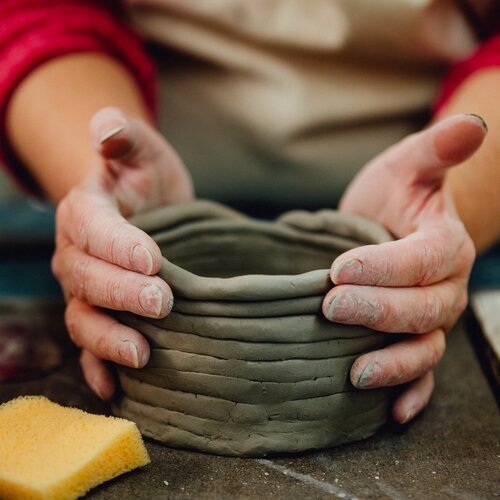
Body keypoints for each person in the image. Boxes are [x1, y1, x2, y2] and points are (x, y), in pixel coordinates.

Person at [1, 0, 499, 425]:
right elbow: (40, 11)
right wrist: (100, 182)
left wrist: (443, 212)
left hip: (413, 195)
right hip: (142, 186)